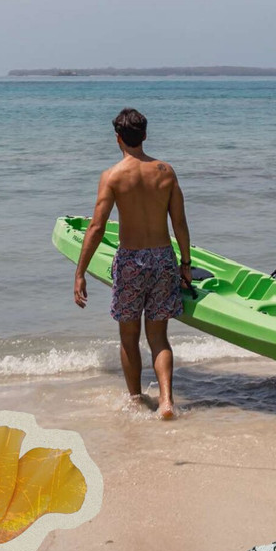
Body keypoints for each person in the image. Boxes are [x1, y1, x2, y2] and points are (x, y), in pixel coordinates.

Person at [73, 108, 191, 420]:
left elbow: (97, 227)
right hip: (163, 258)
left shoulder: (112, 176)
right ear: (145, 135)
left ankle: (137, 399)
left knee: (129, 338)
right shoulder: (165, 172)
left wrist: (80, 272)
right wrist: (186, 263)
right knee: (159, 337)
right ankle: (166, 400)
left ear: (118, 139)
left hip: (130, 262)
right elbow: (179, 222)